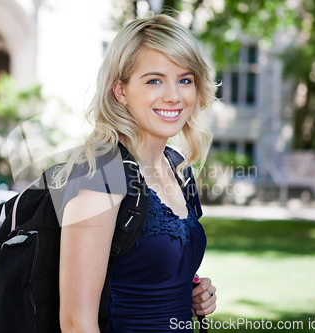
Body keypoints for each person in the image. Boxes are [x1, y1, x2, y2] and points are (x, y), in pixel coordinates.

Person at [50, 12, 217, 333]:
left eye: (185, 79)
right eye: (154, 80)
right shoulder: (100, 179)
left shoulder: (178, 167)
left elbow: (153, 268)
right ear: (120, 91)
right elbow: (75, 323)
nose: (173, 95)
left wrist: (195, 292)